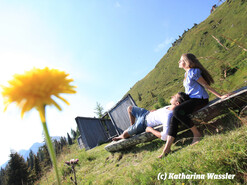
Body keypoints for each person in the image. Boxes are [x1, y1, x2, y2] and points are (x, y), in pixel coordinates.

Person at [159, 53, 231, 158]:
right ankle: (167, 149)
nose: (178, 62)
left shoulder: (194, 72)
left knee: (176, 111)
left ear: (186, 62)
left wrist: (220, 96)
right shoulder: (186, 74)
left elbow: (205, 85)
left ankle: (197, 134)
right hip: (193, 99)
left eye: (180, 60)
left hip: (200, 99)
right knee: (174, 118)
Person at [112, 92, 190, 141]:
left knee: (125, 134)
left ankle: (123, 135)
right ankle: (132, 127)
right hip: (146, 113)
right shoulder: (170, 106)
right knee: (129, 108)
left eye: (175, 97)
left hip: (143, 124)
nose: (172, 96)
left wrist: (150, 130)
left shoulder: (168, 116)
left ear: (177, 104)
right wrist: (155, 111)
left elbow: (164, 136)